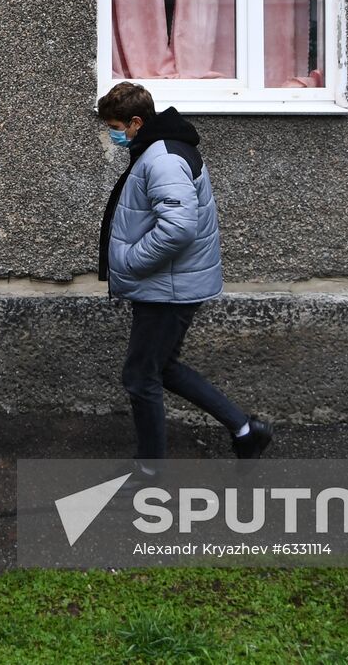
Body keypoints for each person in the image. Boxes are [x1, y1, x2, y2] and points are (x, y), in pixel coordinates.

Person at [97, 82, 272, 480]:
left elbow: (177, 228)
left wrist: (129, 261)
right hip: (168, 285)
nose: (113, 135)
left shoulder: (162, 158)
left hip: (167, 289)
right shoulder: (161, 148)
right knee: (164, 368)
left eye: (115, 126)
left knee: (141, 378)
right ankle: (246, 431)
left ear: (136, 122)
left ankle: (148, 473)